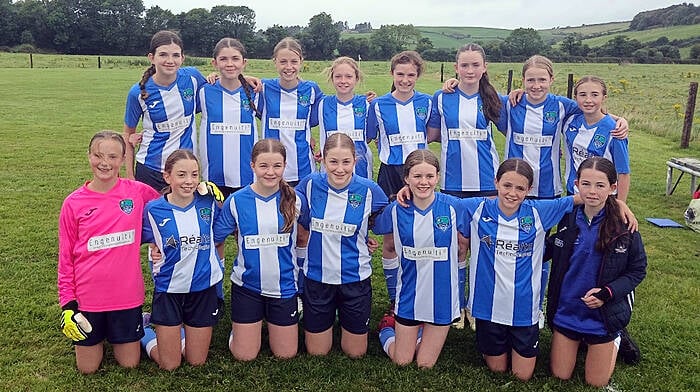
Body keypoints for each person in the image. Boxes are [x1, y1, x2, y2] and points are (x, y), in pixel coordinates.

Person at [58, 131, 159, 374]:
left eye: (113, 156)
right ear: (89, 156)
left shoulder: (137, 192)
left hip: (126, 296)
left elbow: (170, 207)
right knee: (88, 368)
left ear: (123, 159)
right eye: (98, 155)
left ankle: (142, 326)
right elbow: (66, 258)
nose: (105, 163)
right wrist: (68, 305)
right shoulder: (73, 203)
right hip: (88, 299)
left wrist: (198, 190)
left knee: (129, 363)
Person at [546, 157, 646, 387]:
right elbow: (545, 248)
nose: (592, 191)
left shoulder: (624, 224)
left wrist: (607, 293)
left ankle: (617, 337)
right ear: (576, 184)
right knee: (560, 375)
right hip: (567, 311)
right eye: (586, 184)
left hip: (603, 316)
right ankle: (576, 340)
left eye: (600, 185)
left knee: (596, 382)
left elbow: (637, 269)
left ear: (612, 188)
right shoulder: (566, 218)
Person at [426, 43, 502, 329]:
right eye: (464, 65)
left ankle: (477, 306)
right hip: (452, 185)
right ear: (456, 68)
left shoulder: (495, 98)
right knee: (458, 246)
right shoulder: (442, 97)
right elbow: (432, 133)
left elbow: (520, 123)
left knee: (485, 247)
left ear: (484, 68)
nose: (470, 70)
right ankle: (457, 305)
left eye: (475, 65)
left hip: (487, 184)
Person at [296, 133, 388, 358]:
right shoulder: (309, 185)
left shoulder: (370, 190)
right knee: (317, 352)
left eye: (346, 162)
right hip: (318, 278)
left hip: (354, 279)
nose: (340, 169)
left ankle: (387, 328)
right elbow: (296, 215)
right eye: (333, 162)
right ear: (323, 160)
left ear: (355, 161)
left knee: (355, 352)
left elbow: (387, 216)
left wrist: (364, 235)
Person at [373, 149, 463, 369]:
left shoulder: (454, 206)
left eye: (429, 176)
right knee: (402, 361)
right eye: (417, 176)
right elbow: (368, 221)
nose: (424, 182)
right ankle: (387, 327)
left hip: (442, 300)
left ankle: (422, 332)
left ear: (438, 177)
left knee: (424, 364)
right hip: (409, 298)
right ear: (406, 178)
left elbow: (493, 208)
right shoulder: (395, 210)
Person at [213, 139, 301, 361]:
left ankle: (268, 323)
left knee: (286, 354)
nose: (270, 172)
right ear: (252, 165)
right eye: (263, 166)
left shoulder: (295, 200)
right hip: (247, 287)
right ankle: (242, 331)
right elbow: (214, 238)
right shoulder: (237, 201)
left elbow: (310, 233)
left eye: (277, 166)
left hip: (284, 286)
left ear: (284, 166)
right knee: (245, 355)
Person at [139, 149, 224, 370]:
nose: (189, 181)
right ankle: (145, 330)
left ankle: (181, 333)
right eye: (182, 175)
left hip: (203, 288)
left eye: (195, 175)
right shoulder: (153, 210)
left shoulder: (208, 203)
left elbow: (226, 228)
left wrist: (220, 199)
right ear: (167, 177)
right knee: (170, 365)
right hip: (169, 289)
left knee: (196, 362)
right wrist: (152, 249)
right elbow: (143, 239)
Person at [366, 50, 432, 317]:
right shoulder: (378, 105)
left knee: (418, 235)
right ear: (392, 74)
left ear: (418, 76)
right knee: (391, 239)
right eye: (400, 74)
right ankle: (395, 299)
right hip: (390, 174)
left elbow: (435, 133)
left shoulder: (428, 102)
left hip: (421, 174)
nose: (405, 80)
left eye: (411, 75)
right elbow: (369, 136)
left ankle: (418, 292)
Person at [123, 30, 207, 192]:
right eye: (163, 55)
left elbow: (220, 89)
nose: (170, 61)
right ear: (151, 58)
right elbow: (128, 136)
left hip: (184, 171)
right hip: (150, 169)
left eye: (175, 55)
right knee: (150, 216)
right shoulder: (138, 93)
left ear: (182, 58)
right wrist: (129, 175)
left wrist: (243, 79)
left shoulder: (193, 78)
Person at [199, 37, 260, 200]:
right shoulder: (204, 90)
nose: (229, 64)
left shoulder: (256, 91)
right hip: (213, 175)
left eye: (235, 59)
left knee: (243, 224)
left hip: (247, 175)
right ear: (214, 63)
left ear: (244, 62)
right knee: (217, 224)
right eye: (223, 59)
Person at [258, 37, 323, 186]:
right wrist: (216, 76)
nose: (289, 67)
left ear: (301, 61)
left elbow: (333, 107)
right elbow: (234, 85)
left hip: (303, 168)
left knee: (301, 208)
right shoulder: (263, 88)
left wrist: (365, 100)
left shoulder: (311, 89)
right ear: (275, 62)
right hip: (271, 170)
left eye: (294, 61)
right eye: (283, 62)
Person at [563, 76, 630, 202]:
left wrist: (621, 204)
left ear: (604, 98)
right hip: (573, 195)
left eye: (594, 95)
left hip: (603, 199)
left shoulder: (615, 131)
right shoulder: (569, 121)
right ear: (575, 98)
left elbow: (623, 173)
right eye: (583, 95)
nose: (588, 100)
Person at [316, 56, 373, 179]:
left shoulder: (366, 103)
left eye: (348, 76)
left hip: (361, 168)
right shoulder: (323, 103)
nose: (343, 81)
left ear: (356, 79)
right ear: (332, 78)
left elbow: (369, 137)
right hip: (330, 169)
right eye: (338, 76)